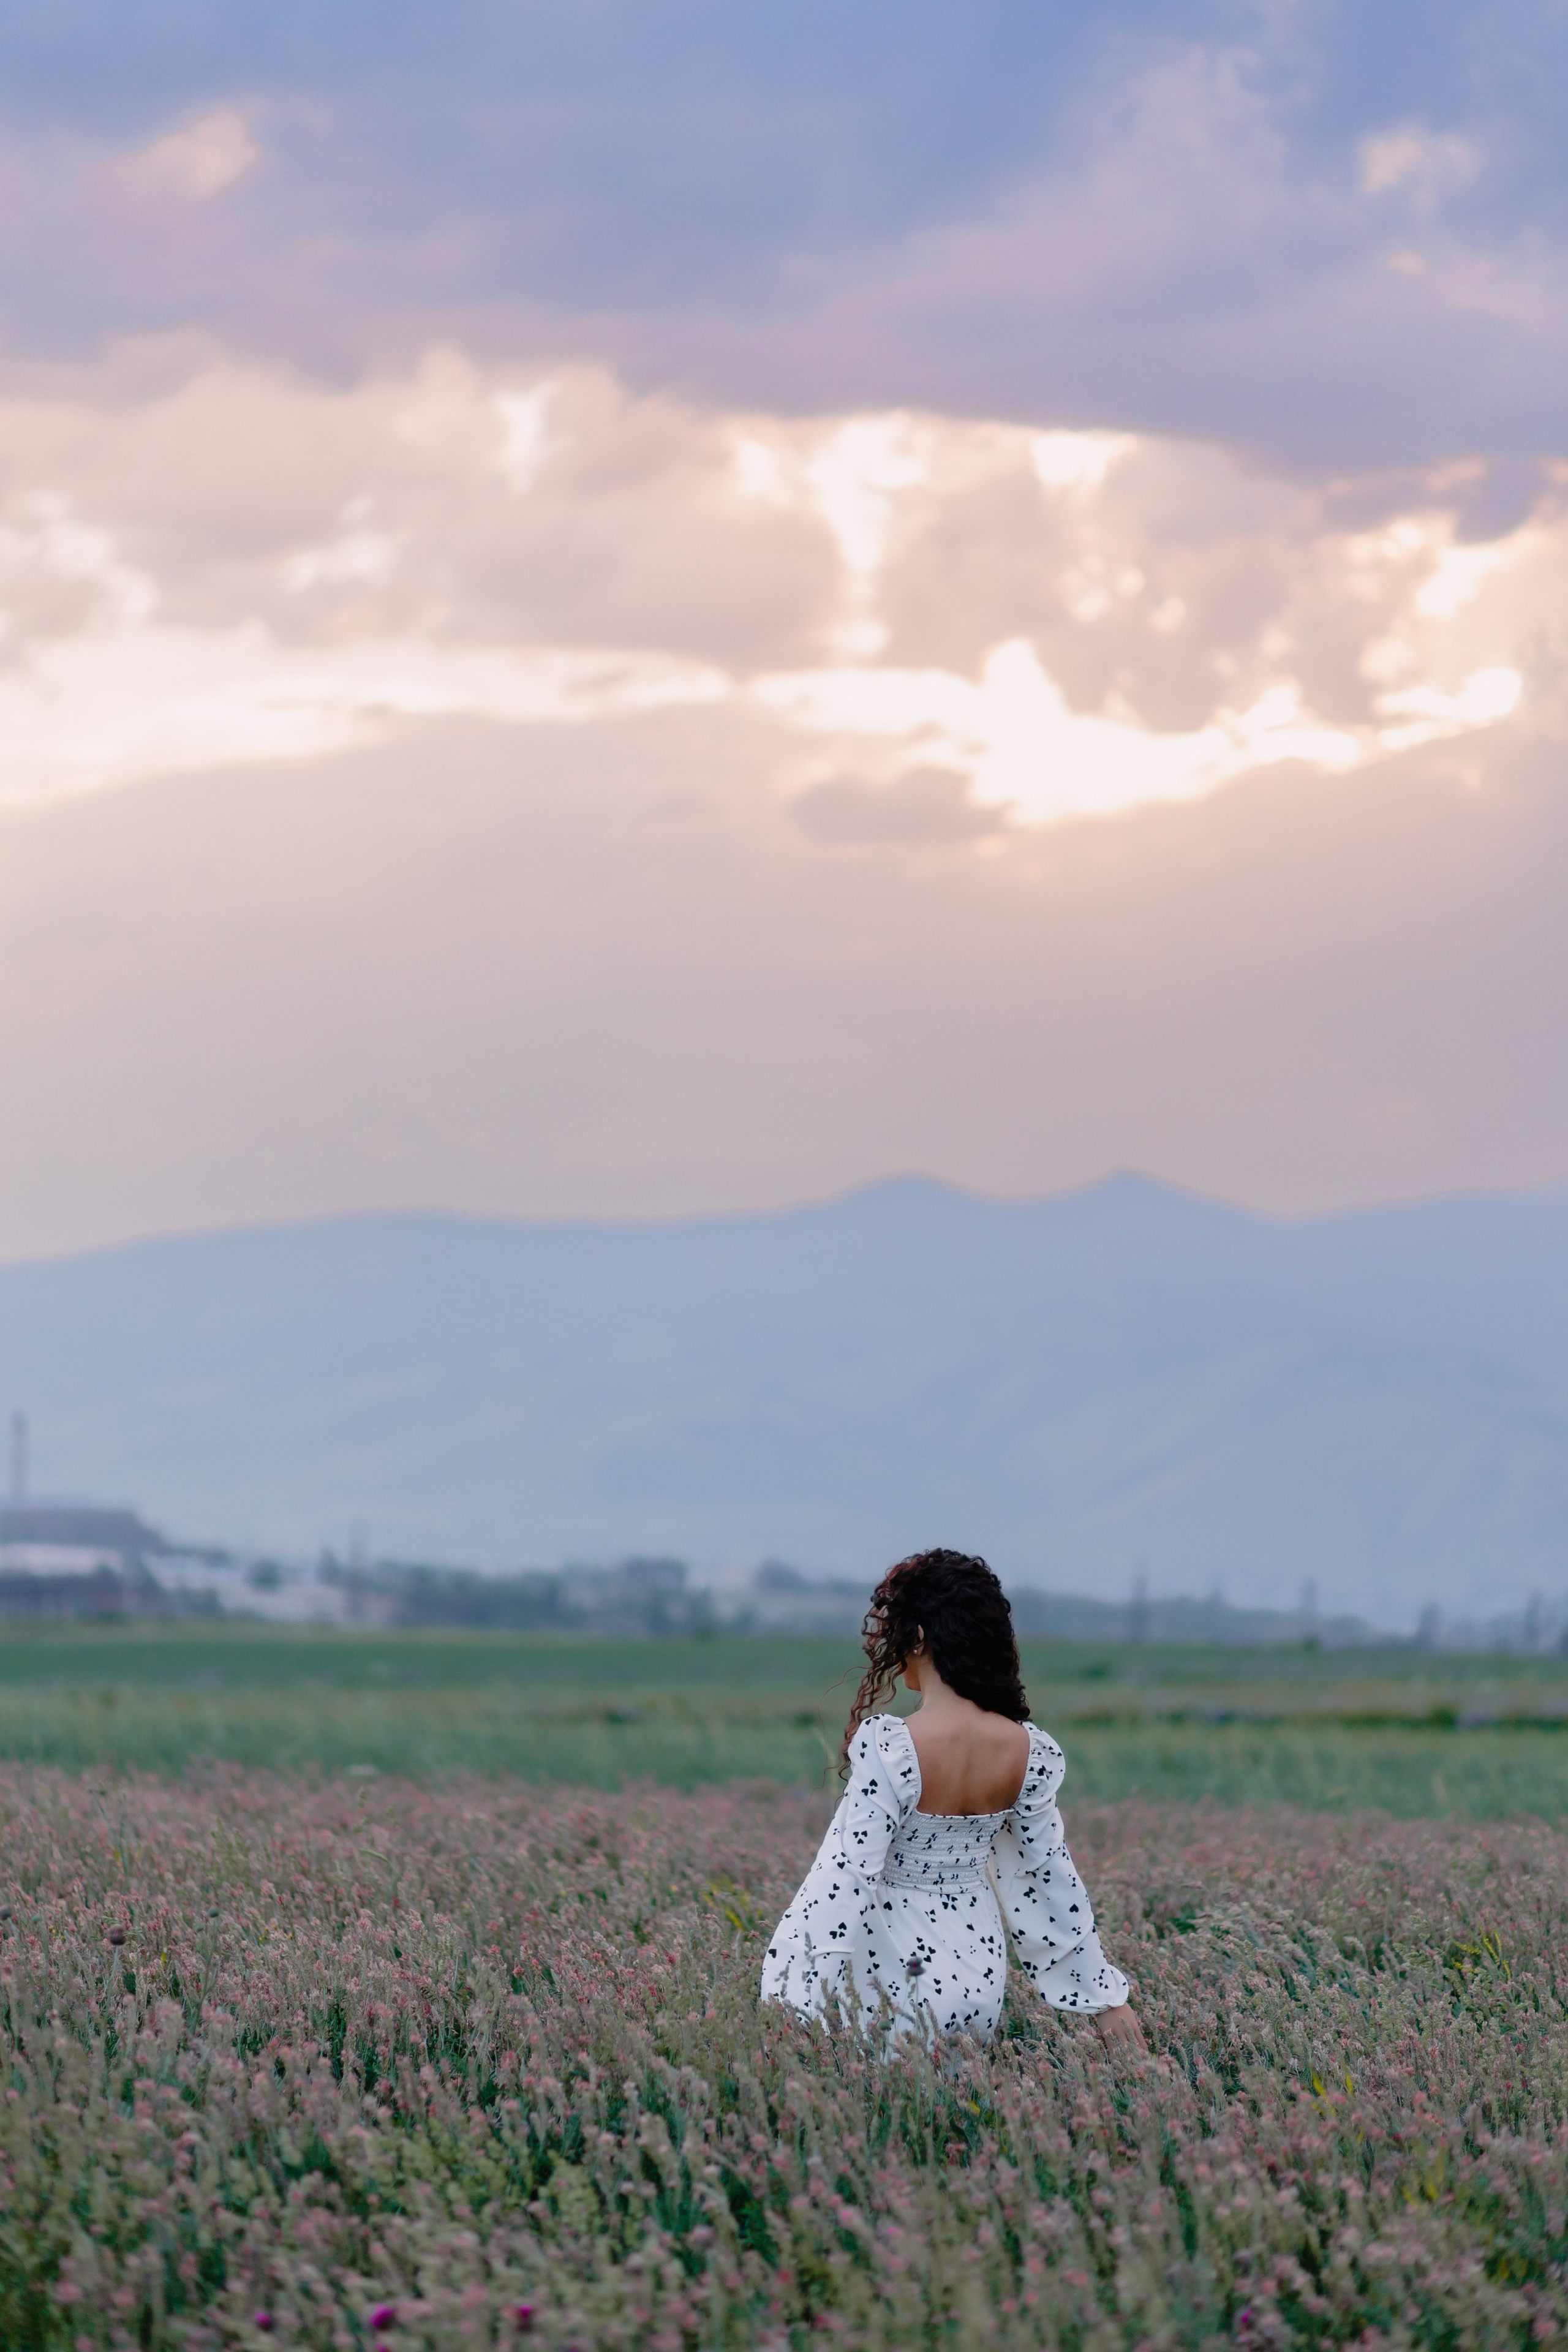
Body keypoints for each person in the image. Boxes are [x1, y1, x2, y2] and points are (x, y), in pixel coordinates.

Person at [761, 1548, 1144, 2052]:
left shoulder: (892, 1747)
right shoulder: (1028, 1750)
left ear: (918, 1637)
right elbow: (1047, 1879)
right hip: (977, 1975)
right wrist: (1106, 2001)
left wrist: (790, 2002)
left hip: (892, 1973)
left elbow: (844, 1878)